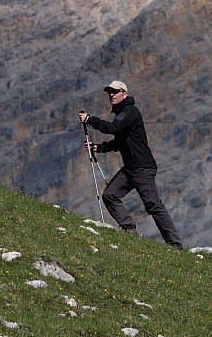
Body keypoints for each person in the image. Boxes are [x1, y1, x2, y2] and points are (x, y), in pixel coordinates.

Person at [78, 80, 183, 250]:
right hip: (131, 168)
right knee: (110, 195)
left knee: (153, 205)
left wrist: (90, 120)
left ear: (124, 94)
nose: (112, 94)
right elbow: (119, 141)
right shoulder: (122, 114)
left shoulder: (130, 112)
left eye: (115, 91)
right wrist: (99, 148)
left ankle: (175, 245)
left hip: (142, 167)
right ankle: (129, 228)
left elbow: (113, 128)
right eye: (109, 92)